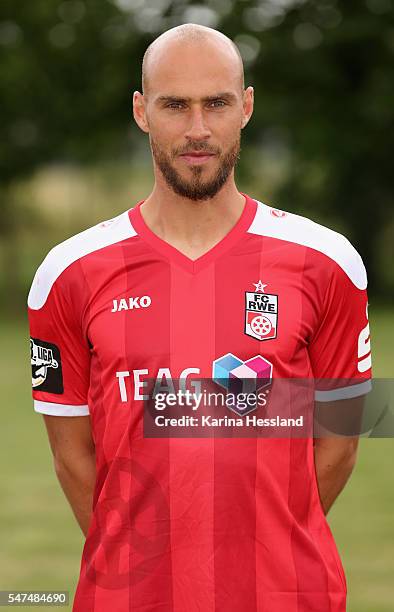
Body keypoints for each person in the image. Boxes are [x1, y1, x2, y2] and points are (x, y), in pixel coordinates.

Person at [27, 23, 372, 612]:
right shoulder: (68, 273)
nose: (197, 130)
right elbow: (72, 455)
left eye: (216, 103)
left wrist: (266, 539)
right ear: (141, 112)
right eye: (174, 105)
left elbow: (338, 443)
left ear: (247, 106)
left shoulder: (328, 262)